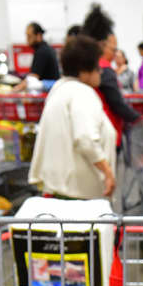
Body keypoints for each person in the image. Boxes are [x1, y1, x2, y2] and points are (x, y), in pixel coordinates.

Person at [28, 35, 116, 200]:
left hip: (59, 190)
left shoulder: (60, 90)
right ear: (84, 71)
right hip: (77, 197)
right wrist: (107, 172)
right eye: (97, 66)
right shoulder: (82, 93)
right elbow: (85, 138)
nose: (100, 71)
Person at [81, 4, 141, 149]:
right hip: (106, 136)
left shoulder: (85, 68)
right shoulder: (104, 70)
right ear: (102, 45)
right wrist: (139, 119)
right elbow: (117, 104)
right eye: (113, 50)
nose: (115, 54)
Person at [13, 22, 60, 89]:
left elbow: (32, 78)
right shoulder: (46, 48)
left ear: (38, 36)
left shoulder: (42, 52)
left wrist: (15, 90)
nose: (27, 40)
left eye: (29, 36)